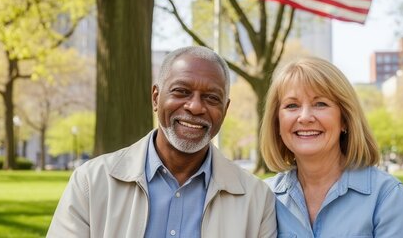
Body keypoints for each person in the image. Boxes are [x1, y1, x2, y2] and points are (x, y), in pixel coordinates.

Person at [47, 46, 276, 237]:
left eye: (211, 98)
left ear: (224, 110)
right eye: (181, 91)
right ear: (156, 98)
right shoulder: (91, 182)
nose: (195, 106)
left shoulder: (256, 199)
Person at [260, 57, 403, 237]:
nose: (305, 117)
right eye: (292, 105)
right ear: (277, 123)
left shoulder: (386, 195)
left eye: (320, 104)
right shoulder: (263, 198)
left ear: (344, 119)